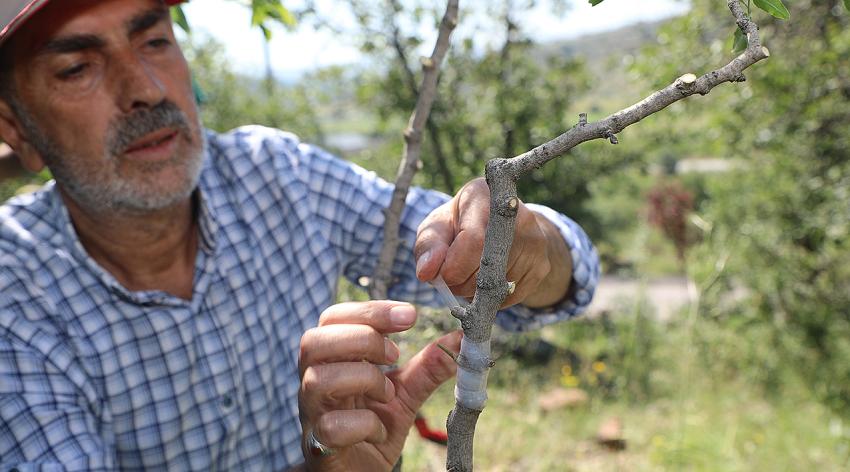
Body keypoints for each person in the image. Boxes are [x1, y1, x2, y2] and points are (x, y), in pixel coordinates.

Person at [0, 0, 599, 470]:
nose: (147, 89)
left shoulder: (279, 176)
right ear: (16, 128)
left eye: (155, 40)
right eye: (77, 67)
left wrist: (523, 243)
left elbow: (559, 278)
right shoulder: (14, 293)